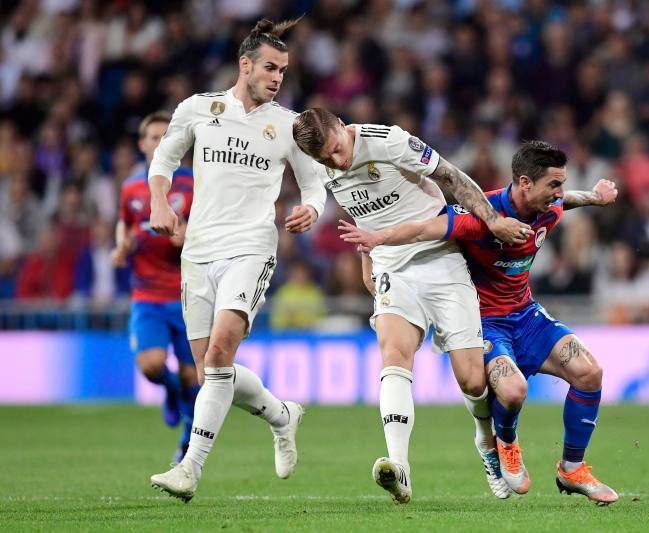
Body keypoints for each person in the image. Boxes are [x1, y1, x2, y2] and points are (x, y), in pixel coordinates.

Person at [339, 141, 620, 504]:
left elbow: (569, 200)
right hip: (484, 322)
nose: (558, 193)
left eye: (560, 184)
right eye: (553, 184)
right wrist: (377, 238)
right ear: (524, 183)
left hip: (526, 313)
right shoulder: (480, 215)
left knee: (590, 373)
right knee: (513, 390)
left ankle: (572, 469)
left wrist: (595, 197)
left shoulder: (548, 205)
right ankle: (505, 442)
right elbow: (425, 229)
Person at [292, 107, 530, 503]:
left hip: (438, 254)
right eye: (326, 159)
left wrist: (491, 221)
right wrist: (368, 258)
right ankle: (399, 467)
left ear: (341, 126)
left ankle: (486, 443)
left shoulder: (388, 141)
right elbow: (360, 210)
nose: (338, 161)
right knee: (394, 352)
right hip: (390, 264)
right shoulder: (321, 162)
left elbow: (452, 176)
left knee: (473, 380)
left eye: (337, 150)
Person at [147, 18, 328, 502]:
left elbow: (315, 182)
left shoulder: (289, 124)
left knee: (222, 349)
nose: (277, 78)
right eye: (270, 67)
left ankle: (189, 469)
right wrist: (159, 203)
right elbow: (163, 160)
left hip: (251, 246)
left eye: (284, 71)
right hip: (199, 250)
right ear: (244, 65)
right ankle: (281, 415)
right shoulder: (198, 110)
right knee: (211, 371)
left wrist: (311, 207)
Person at [111, 111, 197, 464]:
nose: (161, 142)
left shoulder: (193, 184)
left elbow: (202, 225)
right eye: (154, 137)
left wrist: (187, 236)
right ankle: (171, 391)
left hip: (188, 293)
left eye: (167, 136)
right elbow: (125, 223)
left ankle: (187, 445)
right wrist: (121, 245)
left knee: (197, 378)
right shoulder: (132, 188)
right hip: (146, 293)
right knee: (150, 365)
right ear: (143, 144)